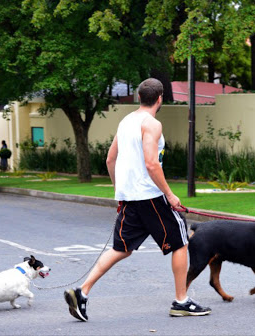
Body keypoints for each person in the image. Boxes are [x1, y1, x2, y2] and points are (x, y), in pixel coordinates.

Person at [64, 78, 211, 322]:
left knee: (121, 249)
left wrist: (119, 191)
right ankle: (182, 301)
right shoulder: (151, 124)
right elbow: (152, 163)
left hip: (130, 197)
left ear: (139, 97)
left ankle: (82, 292)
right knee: (180, 242)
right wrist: (170, 195)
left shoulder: (126, 121)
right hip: (150, 195)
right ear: (160, 98)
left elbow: (110, 159)